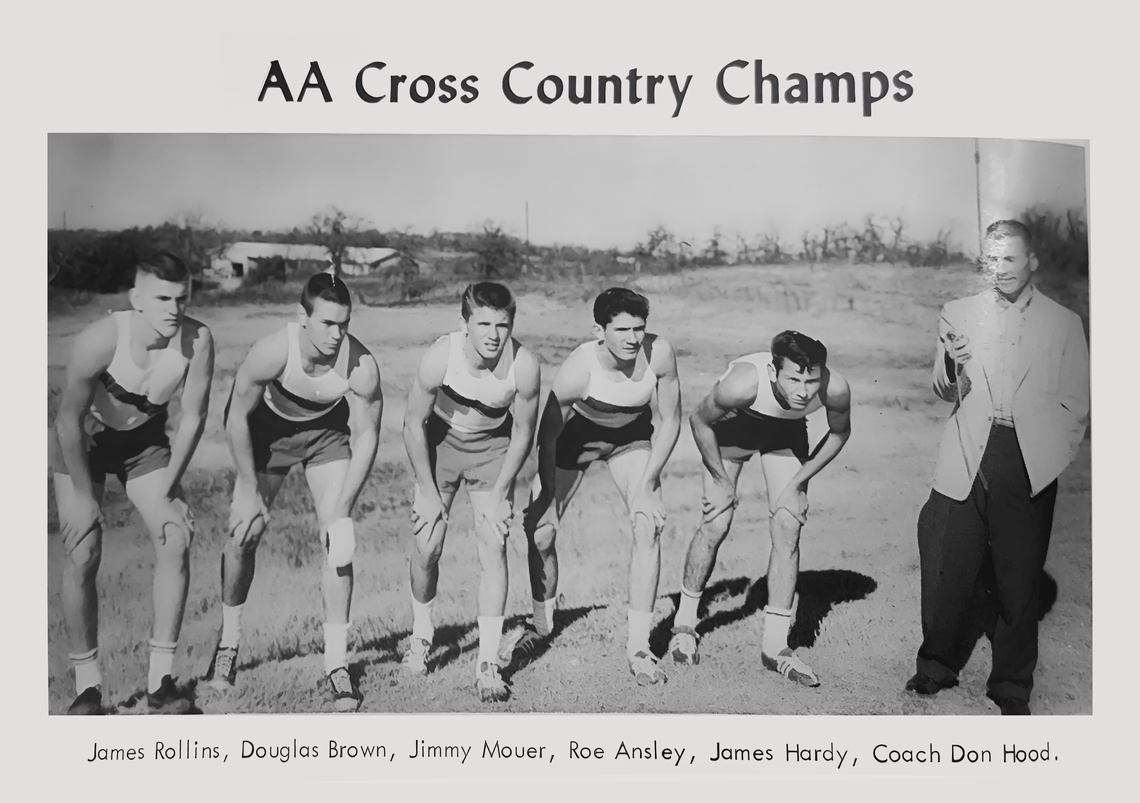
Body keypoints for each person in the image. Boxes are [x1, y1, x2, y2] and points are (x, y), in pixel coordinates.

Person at [906, 220, 1089, 715]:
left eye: (1011, 259)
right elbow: (945, 391)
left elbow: (1077, 403)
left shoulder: (1064, 323)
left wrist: (1047, 460)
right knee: (948, 562)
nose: (1001, 269)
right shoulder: (958, 312)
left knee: (1017, 574)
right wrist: (952, 362)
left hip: (1028, 455)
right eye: (993, 259)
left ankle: (1011, 684)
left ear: (1031, 261)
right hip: (967, 451)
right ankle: (935, 666)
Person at [204, 271, 383, 712]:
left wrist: (341, 508)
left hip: (325, 435)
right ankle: (228, 644)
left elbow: (366, 436)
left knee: (338, 541)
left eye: (344, 324)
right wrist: (247, 487)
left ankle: (337, 664)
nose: (336, 334)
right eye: (326, 323)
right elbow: (235, 415)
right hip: (269, 433)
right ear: (301, 317)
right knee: (243, 535)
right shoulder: (271, 351)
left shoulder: (360, 365)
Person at [51, 252, 214, 714]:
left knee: (175, 536)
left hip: (143, 443)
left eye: (182, 298)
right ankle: (87, 689)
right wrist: (84, 497)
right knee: (83, 550)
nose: (173, 308)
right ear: (136, 299)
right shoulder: (100, 340)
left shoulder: (198, 341)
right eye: (162, 298)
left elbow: (193, 419)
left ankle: (161, 686)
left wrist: (173, 487)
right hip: (83, 442)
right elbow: (67, 422)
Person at [516, 287, 682, 686]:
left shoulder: (658, 353)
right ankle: (541, 625)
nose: (631, 338)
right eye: (621, 329)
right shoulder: (579, 368)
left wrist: (648, 484)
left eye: (638, 328)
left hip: (632, 439)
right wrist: (548, 501)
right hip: (575, 439)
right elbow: (549, 435)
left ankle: (639, 647)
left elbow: (672, 421)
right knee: (540, 534)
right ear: (598, 330)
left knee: (648, 523)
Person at [669, 331, 852, 687]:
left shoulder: (835, 387)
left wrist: (798, 483)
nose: (803, 391)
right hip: (733, 429)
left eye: (811, 380)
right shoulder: (740, 385)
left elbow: (839, 433)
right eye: (794, 379)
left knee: (788, 524)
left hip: (784, 435)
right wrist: (722, 483)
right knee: (716, 522)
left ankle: (775, 647)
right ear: (773, 372)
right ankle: (684, 625)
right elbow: (699, 421)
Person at [401, 282, 540, 703]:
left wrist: (502, 492)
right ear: (465, 324)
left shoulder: (524, 364)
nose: (493, 334)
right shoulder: (441, 355)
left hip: (491, 449)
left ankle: (487, 662)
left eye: (503, 324)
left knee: (493, 544)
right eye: (483, 323)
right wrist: (426, 490)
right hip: (440, 444)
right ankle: (422, 637)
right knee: (427, 546)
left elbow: (522, 434)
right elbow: (412, 424)